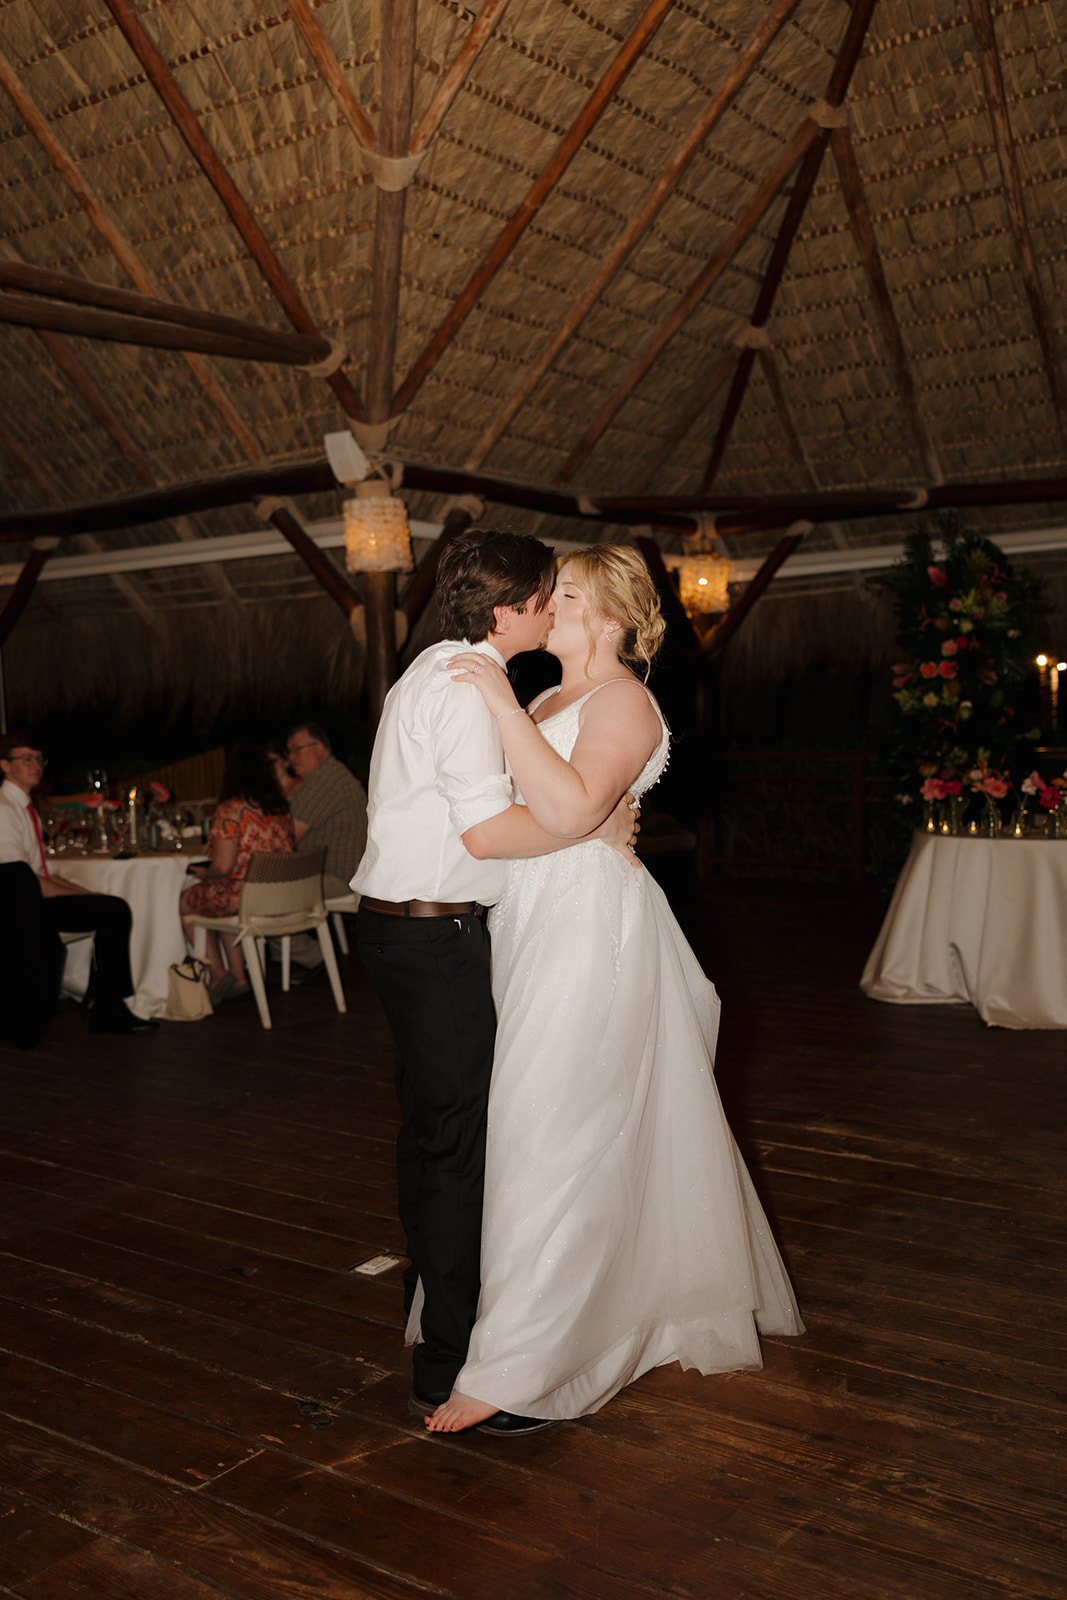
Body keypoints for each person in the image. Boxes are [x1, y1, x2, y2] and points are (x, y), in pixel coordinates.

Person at [425, 545, 803, 1434]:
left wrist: (496, 706)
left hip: (592, 928)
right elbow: (540, 819)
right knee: (541, 1122)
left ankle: (521, 1364)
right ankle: (568, 1319)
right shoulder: (545, 699)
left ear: (611, 619)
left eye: (559, 594)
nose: (541, 605)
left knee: (551, 1124)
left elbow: (575, 798)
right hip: (530, 921)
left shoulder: (623, 699)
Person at [352, 529, 639, 1437]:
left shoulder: (444, 670)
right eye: (545, 594)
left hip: (413, 929)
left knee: (438, 1131)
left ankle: (433, 1303)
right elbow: (484, 835)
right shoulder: (468, 689)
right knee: (456, 1144)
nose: (555, 604)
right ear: (510, 610)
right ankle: (445, 1370)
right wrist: (587, 832)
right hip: (432, 934)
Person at [0, 732, 158, 1036]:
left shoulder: (22, 806)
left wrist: (84, 893)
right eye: (26, 759)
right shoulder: (5, 810)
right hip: (17, 909)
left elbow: (38, 872)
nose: (36, 765)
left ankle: (103, 1002)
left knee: (109, 907)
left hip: (31, 898)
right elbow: (20, 881)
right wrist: (82, 896)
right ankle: (107, 1008)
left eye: (39, 759)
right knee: (113, 910)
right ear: (5, 766)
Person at [180, 742, 294, 1005]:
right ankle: (239, 976)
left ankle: (218, 972)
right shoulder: (280, 808)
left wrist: (202, 872)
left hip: (245, 901)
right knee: (220, 897)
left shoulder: (232, 810)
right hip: (281, 899)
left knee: (189, 900)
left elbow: (222, 867)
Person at [285, 722, 367, 898]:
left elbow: (287, 837)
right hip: (328, 875)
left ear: (319, 748)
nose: (291, 757)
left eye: (297, 749)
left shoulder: (325, 780)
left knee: (254, 889)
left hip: (333, 878)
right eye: (289, 752)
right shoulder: (328, 774)